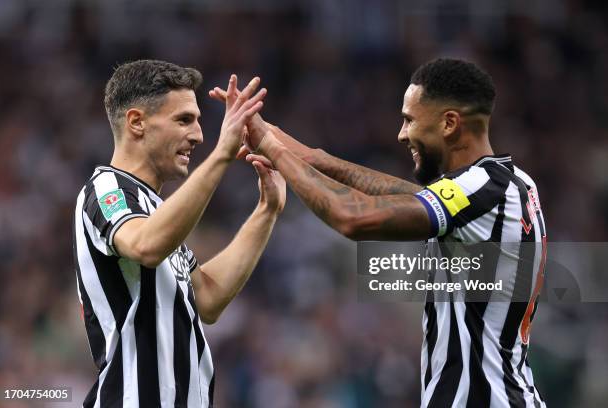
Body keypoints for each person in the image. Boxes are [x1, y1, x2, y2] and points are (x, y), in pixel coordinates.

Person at [211, 58, 547, 407]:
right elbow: (406, 196)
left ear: (449, 123)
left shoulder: (484, 187)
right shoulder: (511, 183)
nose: (402, 134)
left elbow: (351, 218)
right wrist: (308, 155)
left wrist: (277, 151)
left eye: (409, 120)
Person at [73, 60, 286, 408]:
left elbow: (208, 299)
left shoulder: (156, 211)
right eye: (184, 120)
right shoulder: (106, 188)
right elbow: (146, 245)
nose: (199, 135)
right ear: (137, 123)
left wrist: (267, 210)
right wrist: (222, 154)